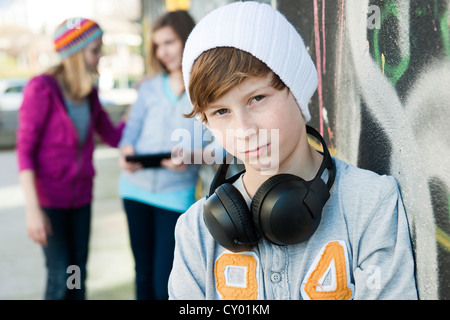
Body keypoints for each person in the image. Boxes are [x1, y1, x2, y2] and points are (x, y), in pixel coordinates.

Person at [168, 2, 418, 300]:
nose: (244, 129)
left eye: (257, 98)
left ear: (297, 91)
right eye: (221, 112)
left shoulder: (372, 204)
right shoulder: (195, 232)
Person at [16, 18, 124, 300]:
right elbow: (24, 152)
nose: (99, 56)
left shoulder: (88, 94)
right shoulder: (41, 89)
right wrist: (32, 211)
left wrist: (138, 113)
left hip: (81, 200)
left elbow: (113, 136)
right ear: (76, 54)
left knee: (77, 275)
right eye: (95, 50)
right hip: (50, 203)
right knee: (61, 275)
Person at [118, 10, 214, 300]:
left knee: (166, 283)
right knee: (143, 276)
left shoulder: (205, 91)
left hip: (176, 197)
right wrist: (126, 152)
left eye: (169, 42)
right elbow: (129, 133)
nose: (162, 52)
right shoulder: (147, 88)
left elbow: (223, 149)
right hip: (134, 191)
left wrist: (192, 156)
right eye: (157, 46)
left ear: (187, 39)